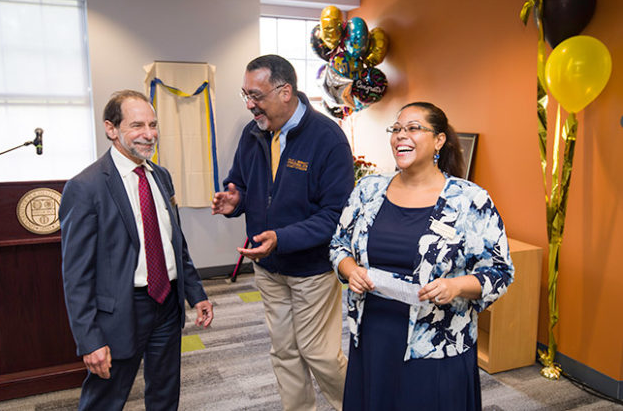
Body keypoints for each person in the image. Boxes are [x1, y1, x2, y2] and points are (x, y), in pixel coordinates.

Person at [330, 102, 514, 410]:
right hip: (374, 335)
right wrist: (350, 271)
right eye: (397, 129)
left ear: (439, 141)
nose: (401, 136)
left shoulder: (470, 200)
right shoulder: (368, 190)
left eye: (413, 128)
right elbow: (339, 245)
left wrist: (455, 287)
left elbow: (499, 272)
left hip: (436, 342)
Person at [212, 55, 353, 411]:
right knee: (285, 352)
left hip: (312, 268)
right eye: (245, 94)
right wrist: (235, 199)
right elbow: (241, 182)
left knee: (318, 353)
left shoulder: (328, 139)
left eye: (256, 95)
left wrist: (282, 238)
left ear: (285, 91)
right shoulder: (252, 133)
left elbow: (336, 215)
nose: (249, 105)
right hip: (269, 267)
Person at [60, 90, 213, 410]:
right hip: (121, 310)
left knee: (164, 394)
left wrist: (196, 293)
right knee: (106, 399)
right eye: (137, 125)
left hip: (167, 304)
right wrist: (90, 339)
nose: (149, 134)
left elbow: (175, 243)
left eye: (154, 124)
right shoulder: (86, 187)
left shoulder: (162, 177)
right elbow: (76, 275)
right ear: (111, 129)